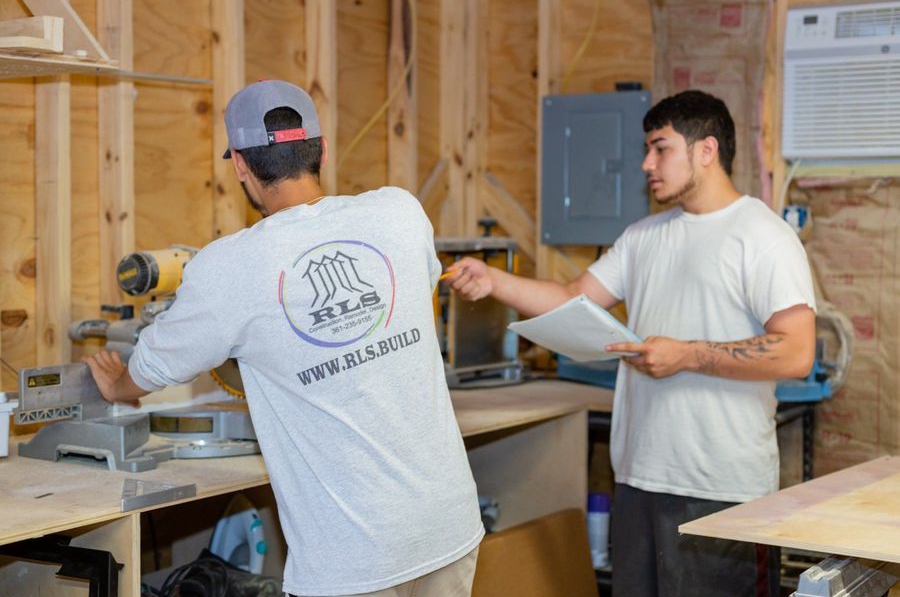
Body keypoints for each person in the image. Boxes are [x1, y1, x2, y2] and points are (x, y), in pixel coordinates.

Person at [84, 80, 484, 597]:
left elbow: (153, 370)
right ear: (321, 150)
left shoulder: (227, 266)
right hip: (449, 529)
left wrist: (117, 387)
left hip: (352, 563)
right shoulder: (401, 212)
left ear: (241, 167)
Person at [447, 90, 816, 596]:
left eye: (660, 148)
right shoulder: (643, 236)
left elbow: (796, 352)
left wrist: (686, 354)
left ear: (706, 150)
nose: (646, 163)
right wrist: (493, 281)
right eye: (647, 149)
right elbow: (573, 297)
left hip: (720, 489)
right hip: (639, 476)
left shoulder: (763, 236)